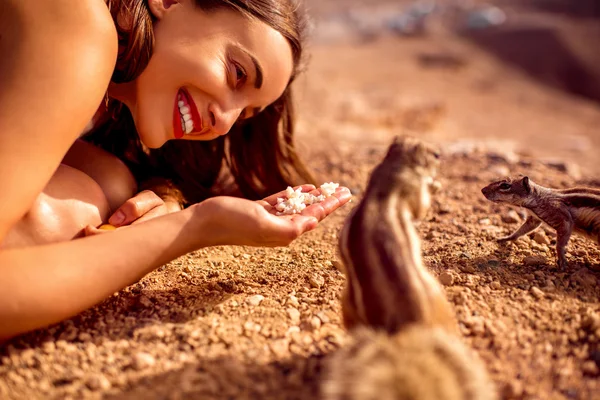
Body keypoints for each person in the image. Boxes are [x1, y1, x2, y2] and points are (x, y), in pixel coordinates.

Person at [0, 0, 351, 340]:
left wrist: (167, 194)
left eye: (243, 115)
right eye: (237, 73)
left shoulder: (105, 93)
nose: (224, 123)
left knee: (111, 183)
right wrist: (192, 228)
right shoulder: (83, 32)